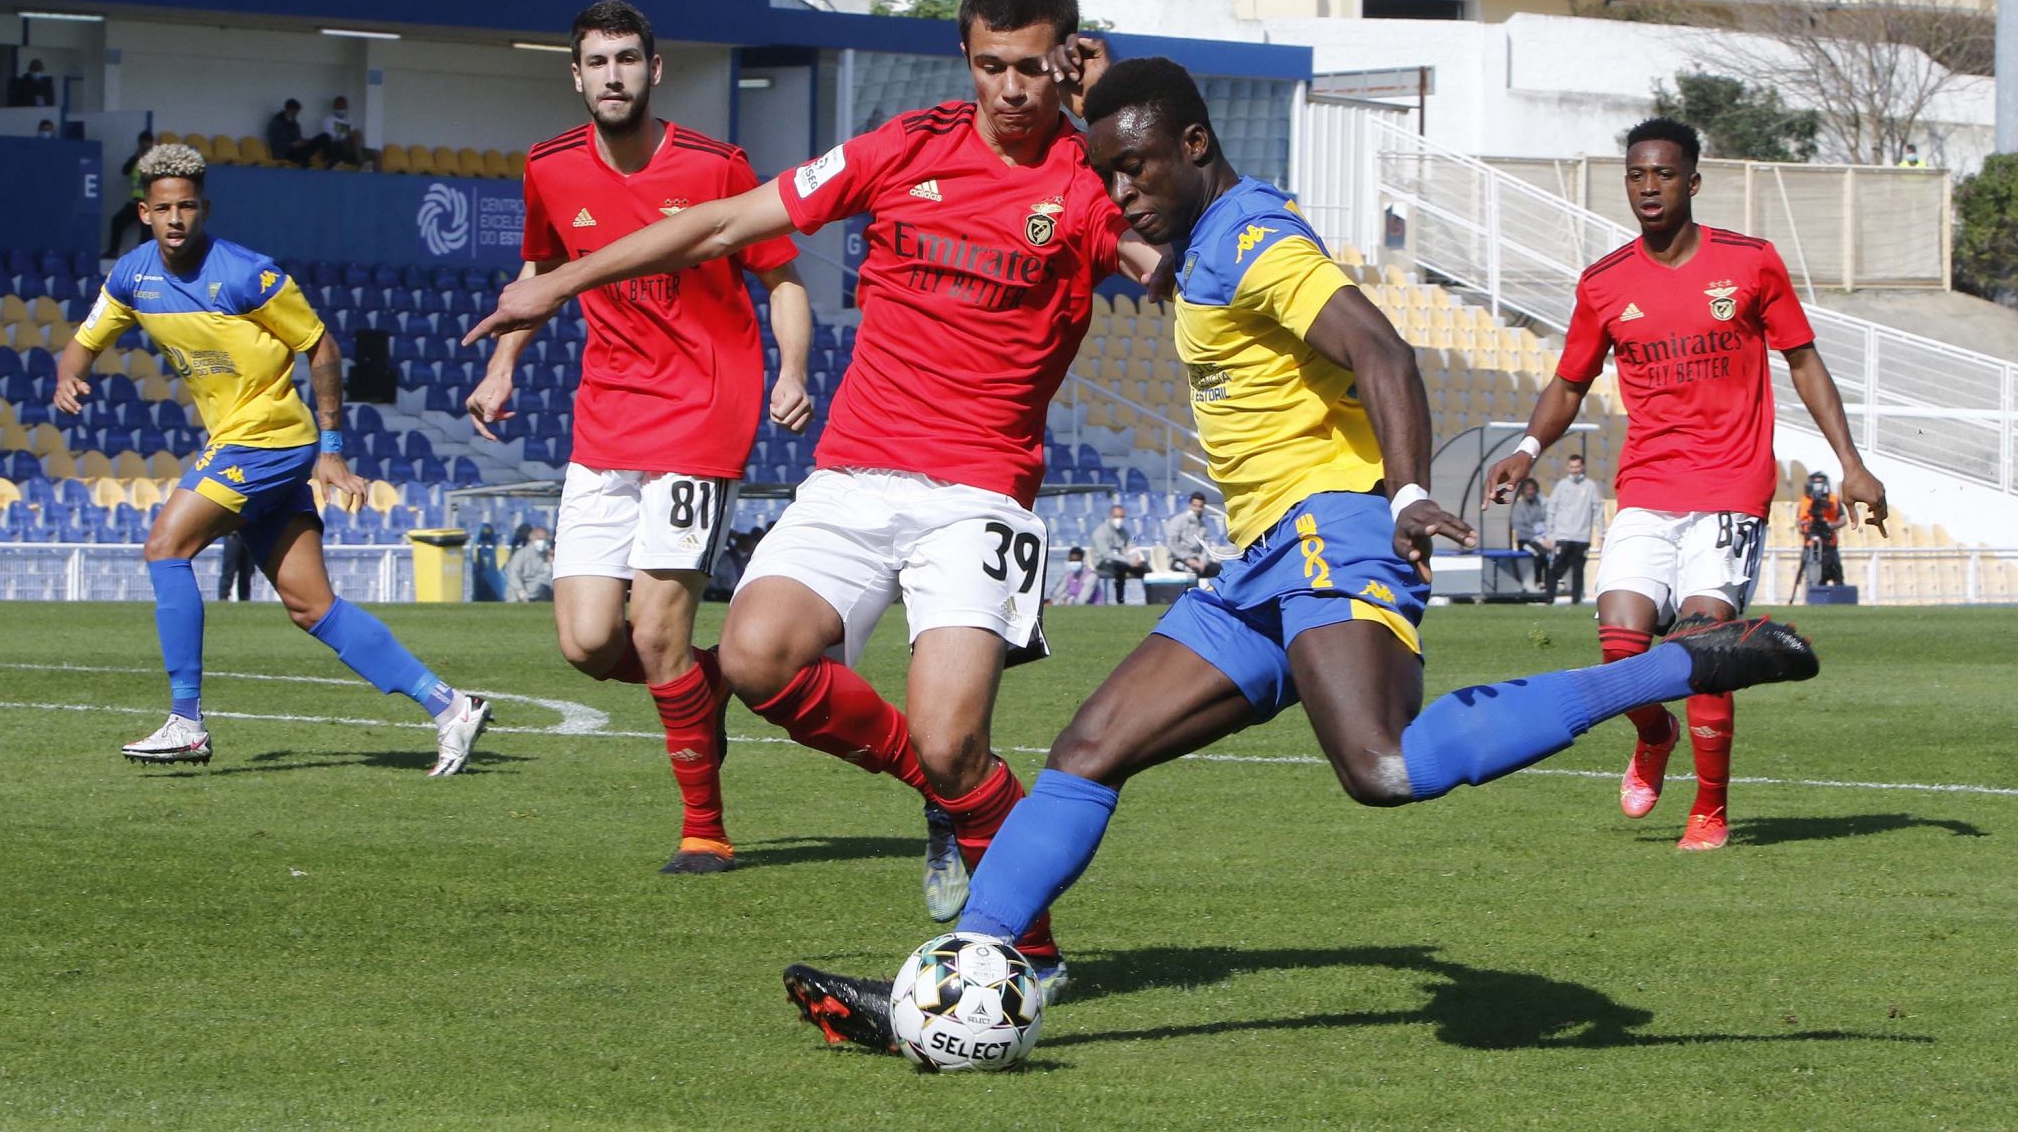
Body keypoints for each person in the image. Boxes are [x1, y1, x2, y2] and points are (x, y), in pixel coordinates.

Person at [776, 59, 1821, 1049]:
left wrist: (1408, 491)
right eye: (1103, 173)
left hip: (1330, 534)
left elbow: (1379, 347)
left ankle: (1688, 663)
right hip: (1260, 563)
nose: (1118, 189)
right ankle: (957, 973)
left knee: (1379, 767)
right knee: (1089, 750)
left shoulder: (1250, 236)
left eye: (1135, 167)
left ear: (1194, 144)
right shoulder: (1209, 233)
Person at [467, 0, 1161, 992]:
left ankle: (1032, 952)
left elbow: (1182, 259)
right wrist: (558, 282)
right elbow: (717, 225)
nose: (1011, 90)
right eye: (990, 67)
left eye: (1030, 68)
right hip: (852, 473)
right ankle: (940, 796)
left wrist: (1133, 110)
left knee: (952, 735)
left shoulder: (1082, 181)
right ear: (964, 60)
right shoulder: (901, 148)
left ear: (1061, 60)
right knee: (752, 657)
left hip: (976, 492)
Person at [464, 0, 813, 875]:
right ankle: (708, 685)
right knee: (587, 642)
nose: (612, 74)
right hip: (606, 417)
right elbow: (540, 273)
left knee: (656, 630)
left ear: (654, 71)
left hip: (705, 412)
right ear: (574, 74)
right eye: (596, 61)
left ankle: (705, 827)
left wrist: (792, 370)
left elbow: (782, 279)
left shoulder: (717, 164)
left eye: (628, 59)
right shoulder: (548, 167)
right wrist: (505, 363)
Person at [1485, 116, 1885, 850]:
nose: (1648, 186)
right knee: (1619, 645)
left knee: (1705, 645)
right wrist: (1529, 445)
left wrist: (1851, 462)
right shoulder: (1605, 283)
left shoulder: (1752, 263)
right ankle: (1654, 730)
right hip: (1647, 483)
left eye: (1664, 173)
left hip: (1732, 484)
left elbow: (1803, 362)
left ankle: (1710, 807)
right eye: (1636, 174)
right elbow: (1570, 381)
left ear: (1692, 181)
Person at [52, 143, 491, 773]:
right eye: (164, 208)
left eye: (188, 206)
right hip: (240, 442)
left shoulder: (245, 274)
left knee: (164, 547)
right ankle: (450, 706)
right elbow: (82, 342)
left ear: (203, 207)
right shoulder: (132, 276)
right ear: (144, 212)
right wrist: (71, 376)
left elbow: (320, 345)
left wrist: (332, 449)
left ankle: (186, 720)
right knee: (312, 606)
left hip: (268, 438)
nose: (177, 219)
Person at [1545, 454, 1599, 604]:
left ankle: (1576, 601)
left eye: (1577, 467)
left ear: (1582, 467)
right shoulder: (1562, 485)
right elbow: (1551, 509)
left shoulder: (1590, 486)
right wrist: (1550, 534)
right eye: (1572, 467)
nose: (1575, 470)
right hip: (1563, 535)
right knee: (1557, 568)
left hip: (1582, 536)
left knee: (1578, 571)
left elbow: (1597, 509)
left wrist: (1601, 532)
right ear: (1568, 467)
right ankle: (1549, 599)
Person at [1090, 502, 1152, 602]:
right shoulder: (1100, 532)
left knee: (1145, 567)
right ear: (1110, 516)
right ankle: (1120, 600)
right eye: (1116, 516)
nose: (1119, 520)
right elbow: (1107, 555)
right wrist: (1129, 562)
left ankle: (1150, 599)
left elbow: (1130, 546)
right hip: (1103, 562)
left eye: (1122, 517)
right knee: (1120, 568)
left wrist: (1136, 559)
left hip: (1123, 560)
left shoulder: (1124, 531)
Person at [108, 130, 154, 256]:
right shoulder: (136, 159)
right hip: (136, 201)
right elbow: (125, 171)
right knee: (117, 221)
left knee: (146, 232)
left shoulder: (156, 161)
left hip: (150, 203)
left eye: (147, 144)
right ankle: (113, 252)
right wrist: (136, 157)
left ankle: (143, 257)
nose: (145, 147)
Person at [1797, 470, 1844, 587]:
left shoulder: (1834, 499)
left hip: (1830, 544)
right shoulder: (1804, 501)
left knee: (1837, 575)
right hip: (1811, 544)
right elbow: (1798, 521)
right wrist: (1804, 527)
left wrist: (1831, 525)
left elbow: (1843, 519)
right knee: (1812, 577)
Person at [1163, 490, 1224, 580]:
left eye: (1200, 506)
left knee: (1220, 570)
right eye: (1195, 506)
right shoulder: (1178, 520)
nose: (1198, 509)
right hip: (1180, 560)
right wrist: (1188, 559)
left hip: (1198, 560)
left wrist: (1203, 562)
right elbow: (1172, 544)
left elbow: (1205, 546)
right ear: (1190, 505)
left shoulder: (1203, 525)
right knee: (1193, 573)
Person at [1508, 477, 1550, 591]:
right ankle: (1538, 581)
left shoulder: (1538, 505)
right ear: (1523, 491)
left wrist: (1545, 536)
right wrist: (1536, 537)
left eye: (1533, 489)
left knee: (1548, 553)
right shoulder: (1519, 507)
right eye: (1528, 489)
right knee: (1539, 553)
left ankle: (1549, 582)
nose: (1531, 492)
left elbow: (1544, 520)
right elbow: (1518, 527)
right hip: (1526, 540)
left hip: (1539, 539)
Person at [266, 99, 330, 168]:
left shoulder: (295, 124)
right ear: (288, 109)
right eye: (294, 112)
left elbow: (298, 139)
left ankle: (328, 161)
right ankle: (305, 163)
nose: (295, 114)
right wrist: (292, 145)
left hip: (297, 150)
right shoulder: (276, 123)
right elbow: (275, 144)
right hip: (286, 153)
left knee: (325, 137)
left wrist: (303, 142)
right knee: (302, 155)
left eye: (296, 112)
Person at [504, 524, 555, 603]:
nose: (543, 542)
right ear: (532, 538)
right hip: (519, 592)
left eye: (545, 540)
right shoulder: (521, 554)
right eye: (540, 539)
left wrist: (551, 563)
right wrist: (520, 590)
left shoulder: (545, 555)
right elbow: (513, 573)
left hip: (538, 591)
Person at [320, 96, 364, 167]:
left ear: (346, 107)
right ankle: (360, 162)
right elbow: (329, 137)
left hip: (351, 144)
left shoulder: (349, 119)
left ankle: (359, 160)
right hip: (336, 145)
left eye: (343, 107)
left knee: (358, 133)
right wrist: (345, 133)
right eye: (339, 107)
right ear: (334, 107)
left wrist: (349, 133)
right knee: (353, 136)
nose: (341, 109)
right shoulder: (328, 120)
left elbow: (354, 133)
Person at [216, 531, 255, 601]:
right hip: (233, 536)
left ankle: (245, 599)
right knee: (229, 570)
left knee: (247, 571)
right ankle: (223, 597)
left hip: (250, 536)